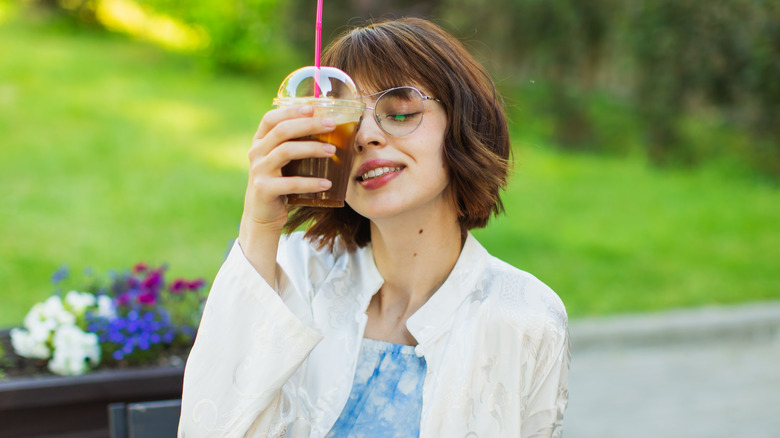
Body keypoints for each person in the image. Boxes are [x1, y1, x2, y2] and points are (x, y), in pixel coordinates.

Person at [179, 17, 570, 438]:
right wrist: (259, 224)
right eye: (344, 118)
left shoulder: (526, 316)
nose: (365, 136)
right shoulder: (292, 274)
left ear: (462, 122)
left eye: (400, 112)